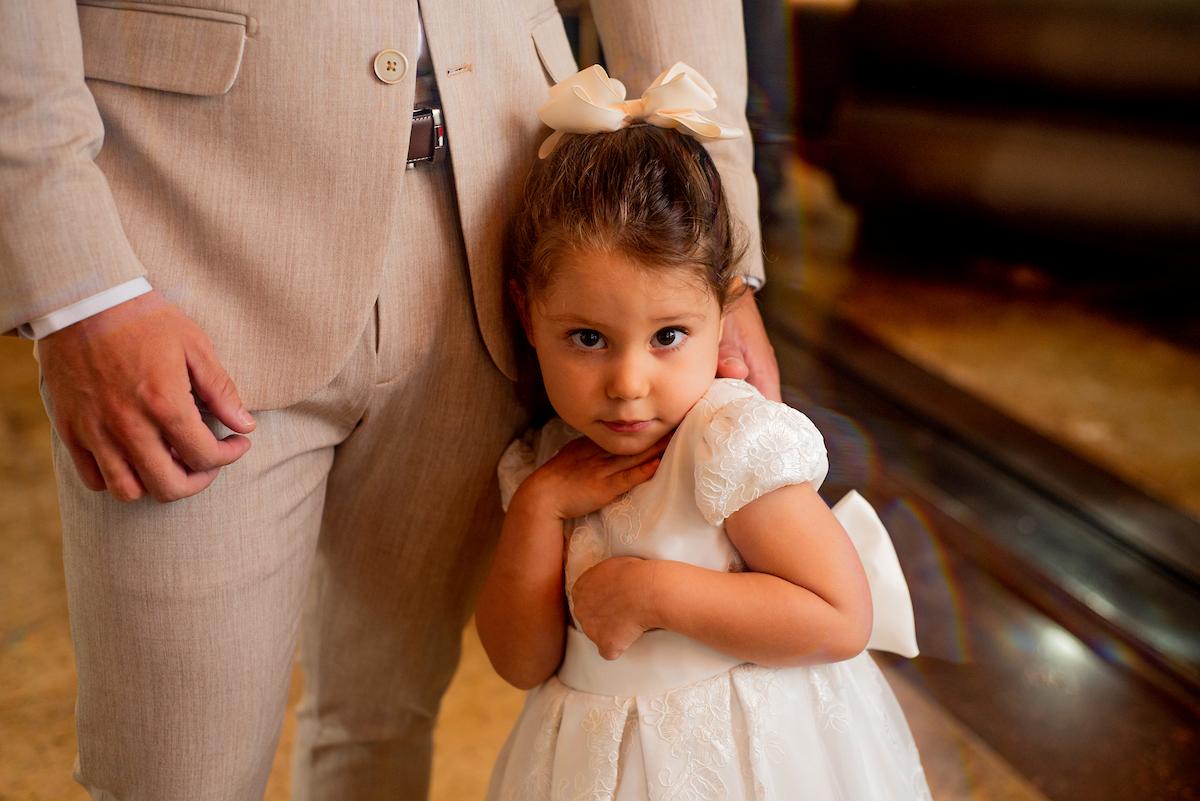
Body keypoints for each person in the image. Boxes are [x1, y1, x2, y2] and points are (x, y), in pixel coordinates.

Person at [0, 3, 777, 799]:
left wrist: (717, 256)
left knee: (383, 728)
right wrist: (80, 286)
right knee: (171, 774)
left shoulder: (596, 336)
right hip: (188, 227)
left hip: (501, 224)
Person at [476, 63, 931, 800]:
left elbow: (842, 615)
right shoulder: (547, 462)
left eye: (668, 336)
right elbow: (520, 661)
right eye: (588, 338)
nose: (628, 382)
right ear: (529, 316)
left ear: (723, 312)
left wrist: (655, 593)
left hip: (746, 760)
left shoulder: (726, 439)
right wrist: (537, 508)